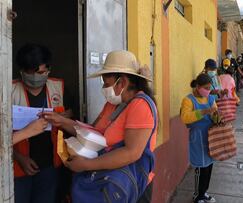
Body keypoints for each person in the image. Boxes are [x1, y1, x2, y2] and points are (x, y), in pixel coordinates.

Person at [42, 50, 158, 203]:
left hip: (128, 185)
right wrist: (62, 122)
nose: (104, 88)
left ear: (122, 82)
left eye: (107, 83)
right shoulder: (113, 104)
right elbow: (94, 133)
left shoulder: (140, 106)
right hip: (106, 181)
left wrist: (86, 165)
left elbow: (131, 152)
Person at [12, 44, 73, 203]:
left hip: (51, 165)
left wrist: (65, 117)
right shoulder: (8, 91)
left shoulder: (59, 87)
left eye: (40, 72)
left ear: (48, 69)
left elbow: (73, 115)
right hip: (17, 166)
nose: (34, 77)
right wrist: (19, 157)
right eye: (29, 73)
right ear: (21, 71)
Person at [180, 73, 217, 203]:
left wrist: (218, 117)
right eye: (205, 88)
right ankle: (198, 195)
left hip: (211, 137)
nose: (208, 91)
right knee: (201, 168)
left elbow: (215, 114)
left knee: (209, 167)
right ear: (197, 86)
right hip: (197, 138)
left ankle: (204, 192)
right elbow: (185, 118)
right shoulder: (188, 100)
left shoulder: (211, 99)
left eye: (209, 88)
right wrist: (204, 112)